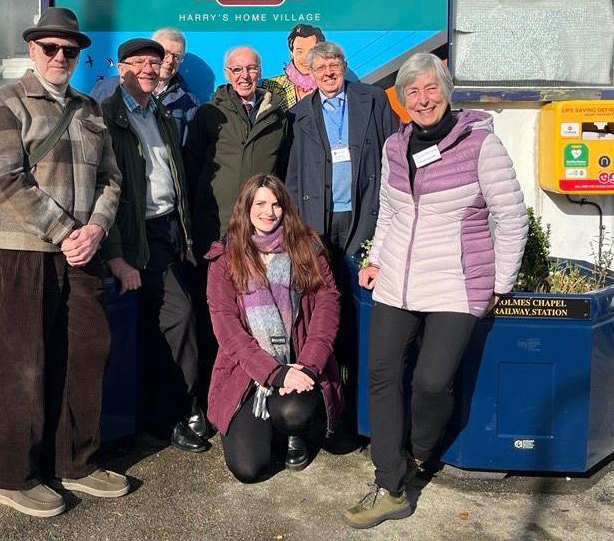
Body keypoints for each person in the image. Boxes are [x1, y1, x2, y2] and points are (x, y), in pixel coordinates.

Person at [342, 52, 528, 529]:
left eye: (430, 89)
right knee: (381, 376)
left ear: (446, 91)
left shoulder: (480, 146)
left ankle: (420, 452)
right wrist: (376, 259)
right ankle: (389, 483)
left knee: (430, 382)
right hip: (397, 283)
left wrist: (500, 285)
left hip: (456, 284)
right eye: (412, 92)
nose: (422, 99)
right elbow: (389, 210)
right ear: (401, 100)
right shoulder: (393, 147)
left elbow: (511, 219)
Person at [0, 7, 127, 518]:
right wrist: (67, 232)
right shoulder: (6, 102)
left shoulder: (89, 109)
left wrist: (98, 229)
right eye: (50, 48)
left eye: (70, 50)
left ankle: (76, 463)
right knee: (24, 361)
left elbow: (113, 179)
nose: (61, 56)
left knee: (88, 351)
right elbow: (4, 180)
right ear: (32, 50)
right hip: (22, 251)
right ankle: (12, 477)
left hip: (82, 250)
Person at [99, 38, 209, 453]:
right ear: (121, 68)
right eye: (139, 62)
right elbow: (101, 189)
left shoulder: (160, 113)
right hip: (135, 234)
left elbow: (173, 176)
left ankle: (168, 409)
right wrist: (116, 253)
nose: (148, 68)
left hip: (169, 230)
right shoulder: (106, 115)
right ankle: (172, 416)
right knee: (176, 318)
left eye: (154, 62)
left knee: (164, 323)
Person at [285, 42, 395, 435]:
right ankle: (328, 399)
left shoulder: (373, 99)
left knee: (359, 304)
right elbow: (292, 176)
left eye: (335, 65)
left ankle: (360, 403)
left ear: (344, 67)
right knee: (321, 305)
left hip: (365, 214)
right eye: (321, 67)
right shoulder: (298, 114)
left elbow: (393, 152)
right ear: (310, 74)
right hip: (318, 222)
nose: (329, 72)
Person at [204, 174, 344, 483]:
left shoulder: (307, 248)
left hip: (300, 362)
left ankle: (297, 430)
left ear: (286, 208)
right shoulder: (225, 258)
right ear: (246, 208)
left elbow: (327, 305)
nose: (269, 212)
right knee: (248, 469)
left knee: (292, 412)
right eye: (260, 203)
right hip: (250, 373)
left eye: (276, 204)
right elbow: (227, 330)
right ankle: (273, 427)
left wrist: (308, 367)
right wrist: (274, 373)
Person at [184, 45, 291, 261]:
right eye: (237, 69)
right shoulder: (208, 113)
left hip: (261, 226)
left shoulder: (279, 118)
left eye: (251, 69)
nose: (245, 76)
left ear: (260, 72)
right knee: (216, 291)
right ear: (227, 73)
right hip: (216, 226)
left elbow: (284, 168)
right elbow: (191, 168)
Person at [90, 27, 200, 142]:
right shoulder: (106, 89)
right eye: (166, 53)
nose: (170, 61)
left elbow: (187, 152)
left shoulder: (189, 103)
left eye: (177, 56)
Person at [266, 24, 325, 111]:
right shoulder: (272, 86)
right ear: (291, 53)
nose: (306, 58)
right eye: (300, 51)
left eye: (311, 51)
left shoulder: (330, 85)